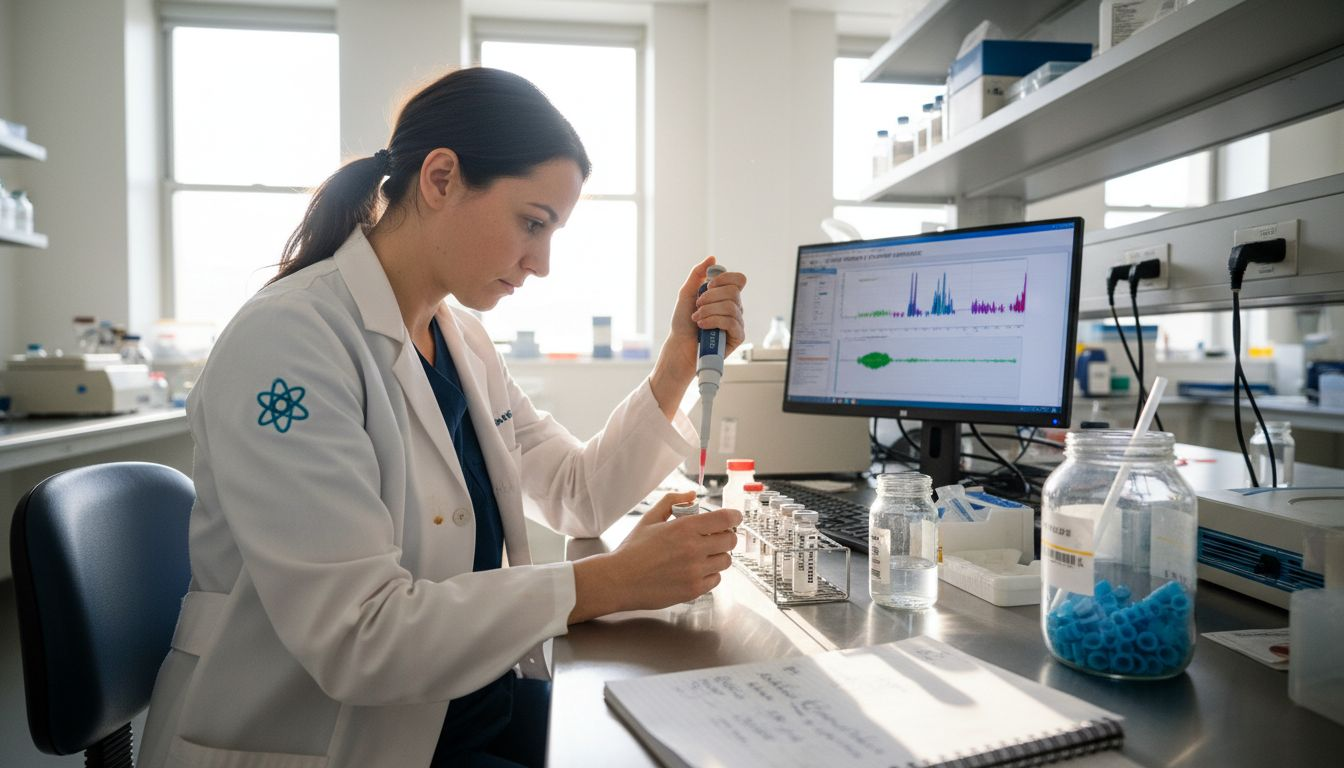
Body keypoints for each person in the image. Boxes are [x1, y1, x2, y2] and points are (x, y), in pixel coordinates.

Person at [139, 67, 746, 768]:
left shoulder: (459, 339)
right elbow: (360, 637)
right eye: (532, 222)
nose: (542, 263)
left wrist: (677, 362)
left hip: (458, 703)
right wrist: (610, 582)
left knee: (677, 736)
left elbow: (577, 496)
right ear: (440, 179)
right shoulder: (290, 340)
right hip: (322, 735)